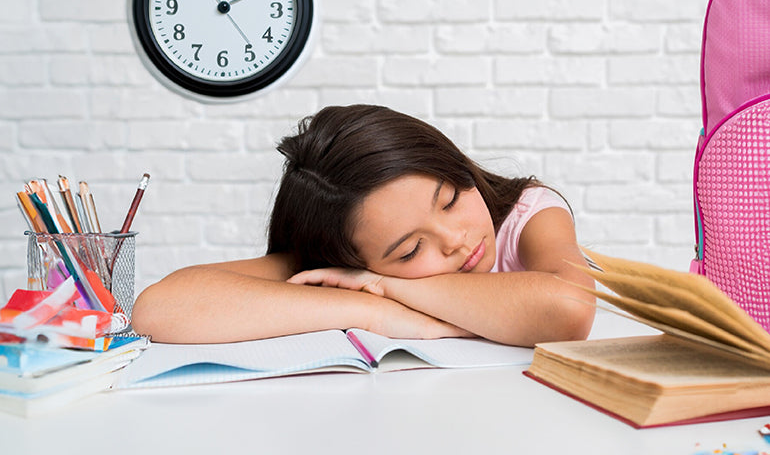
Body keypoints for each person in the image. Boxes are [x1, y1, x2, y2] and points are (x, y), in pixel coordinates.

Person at [131, 104, 595, 346]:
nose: (456, 240)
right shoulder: (342, 264)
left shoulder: (525, 215)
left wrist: (389, 285)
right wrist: (374, 311)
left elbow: (570, 309)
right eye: (410, 252)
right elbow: (159, 308)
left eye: (450, 199)